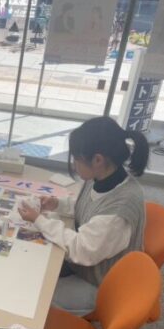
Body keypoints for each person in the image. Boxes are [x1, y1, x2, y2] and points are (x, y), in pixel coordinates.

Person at [18, 116, 149, 316]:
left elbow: (81, 249)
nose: (73, 164)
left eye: (76, 159)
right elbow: (90, 206)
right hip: (88, 266)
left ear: (97, 160)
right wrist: (57, 204)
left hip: (101, 285)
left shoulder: (119, 210)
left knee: (32, 292)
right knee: (32, 264)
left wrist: (39, 220)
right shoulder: (103, 176)